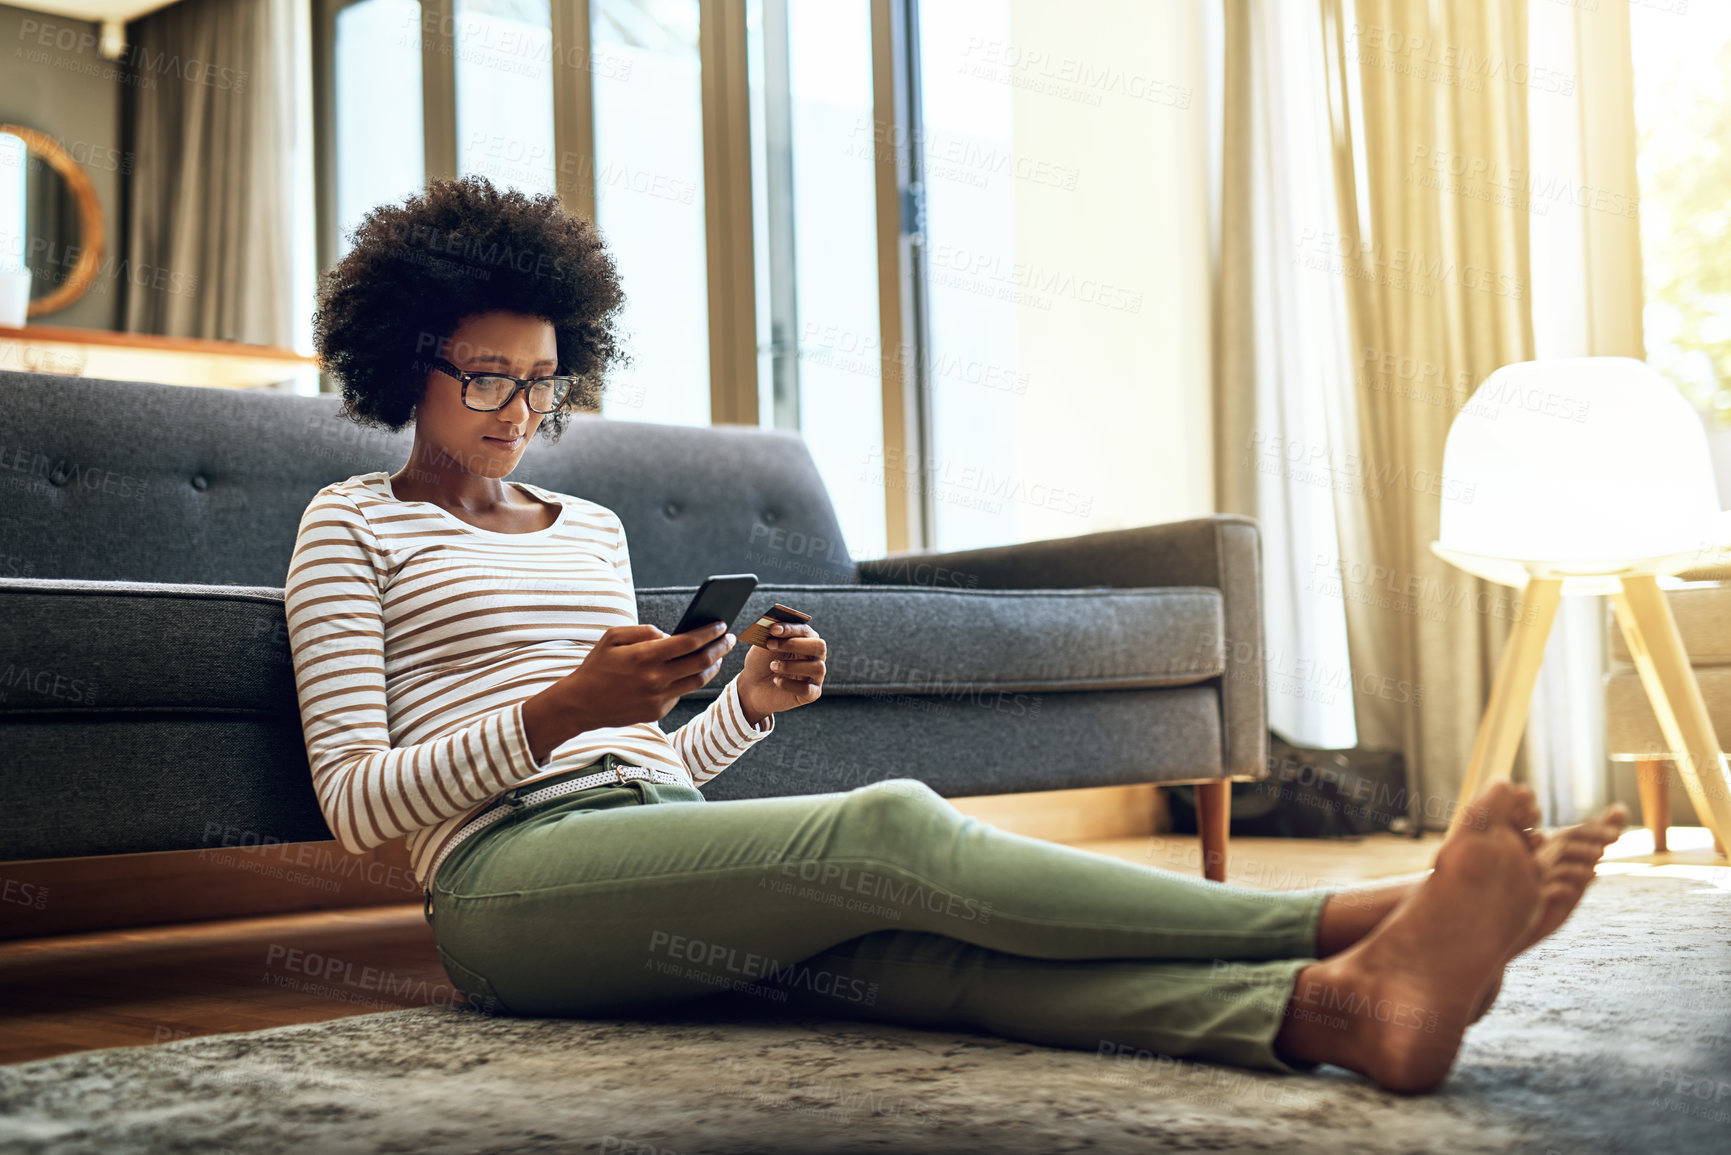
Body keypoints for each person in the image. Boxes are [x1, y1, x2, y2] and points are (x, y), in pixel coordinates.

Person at [287, 174, 1629, 1097]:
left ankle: (1350, 1013)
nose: (517, 410)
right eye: (483, 378)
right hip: (505, 898)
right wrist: (560, 715)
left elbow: (661, 779)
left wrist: (745, 707)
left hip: (626, 851)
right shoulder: (348, 528)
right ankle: (1354, 915)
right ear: (404, 362)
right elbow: (354, 805)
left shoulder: (586, 526)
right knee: (886, 830)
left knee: (919, 965)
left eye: (541, 379)